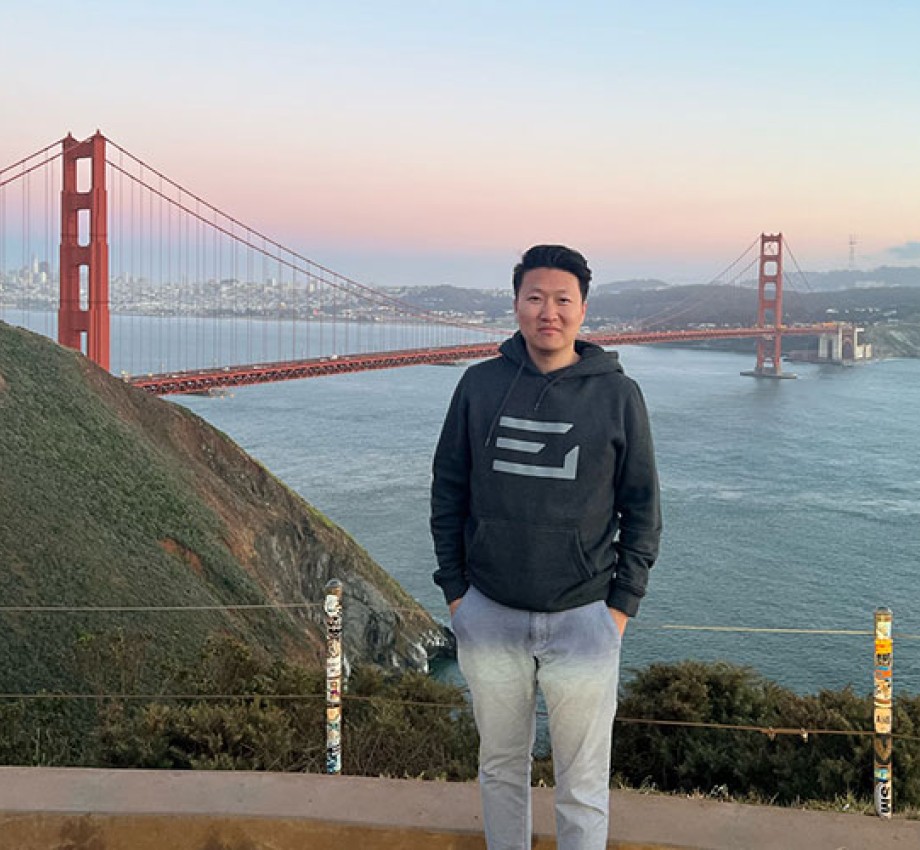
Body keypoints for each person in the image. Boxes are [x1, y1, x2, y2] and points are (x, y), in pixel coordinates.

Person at [430, 244, 661, 850]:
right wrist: (458, 595)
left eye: (563, 300)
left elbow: (642, 510)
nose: (548, 312)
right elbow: (447, 491)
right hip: (490, 614)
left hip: (584, 620)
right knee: (500, 769)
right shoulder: (479, 386)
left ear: (583, 310)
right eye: (535, 298)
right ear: (516, 306)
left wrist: (617, 611)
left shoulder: (619, 395)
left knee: (582, 785)